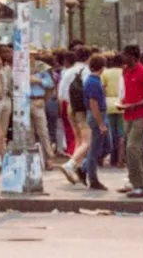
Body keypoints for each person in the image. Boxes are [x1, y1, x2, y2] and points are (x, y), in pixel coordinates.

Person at [118, 45, 143, 199]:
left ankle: (140, 185)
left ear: (133, 56)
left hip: (141, 115)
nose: (122, 57)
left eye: (125, 54)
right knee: (133, 151)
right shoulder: (125, 71)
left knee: (133, 149)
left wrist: (137, 104)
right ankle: (140, 184)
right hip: (128, 114)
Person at [61, 49, 91, 184]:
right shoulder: (86, 71)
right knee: (87, 141)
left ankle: (76, 168)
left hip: (69, 107)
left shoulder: (67, 71)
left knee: (78, 139)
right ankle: (70, 164)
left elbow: (61, 94)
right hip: (81, 109)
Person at [83, 54, 109, 190]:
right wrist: (101, 124)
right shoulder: (93, 82)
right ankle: (92, 178)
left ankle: (84, 169)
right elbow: (94, 104)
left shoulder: (92, 80)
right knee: (95, 148)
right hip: (97, 116)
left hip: (98, 115)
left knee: (102, 145)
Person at [29, 54, 56, 167]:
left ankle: (49, 159)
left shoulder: (41, 68)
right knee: (27, 132)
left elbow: (50, 83)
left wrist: (38, 80)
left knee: (42, 131)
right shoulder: (19, 68)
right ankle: (30, 159)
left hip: (37, 100)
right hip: (23, 102)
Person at [102, 53, 125, 168]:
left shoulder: (105, 73)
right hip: (122, 104)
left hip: (108, 104)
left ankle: (112, 158)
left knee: (111, 133)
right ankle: (120, 160)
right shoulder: (125, 73)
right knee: (121, 134)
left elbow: (102, 89)